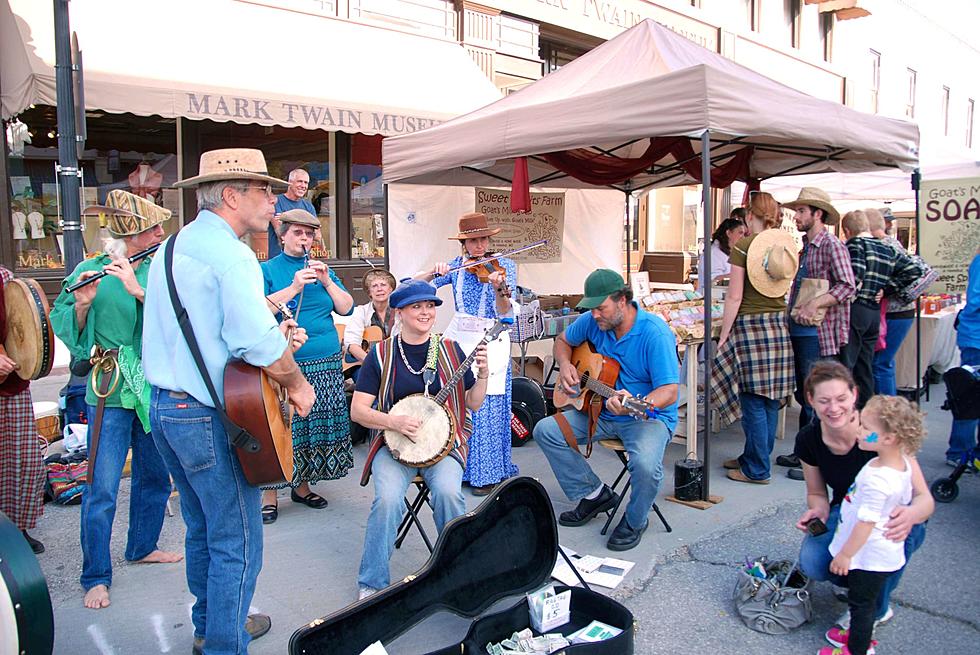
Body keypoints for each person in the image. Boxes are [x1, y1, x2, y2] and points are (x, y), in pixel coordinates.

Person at [142, 148, 315, 655]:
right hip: (204, 416)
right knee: (237, 540)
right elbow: (255, 343)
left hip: (166, 408)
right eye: (263, 190)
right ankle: (224, 642)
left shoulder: (171, 247)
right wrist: (298, 384)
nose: (272, 198)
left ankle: (211, 624)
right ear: (232, 196)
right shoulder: (233, 254)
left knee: (202, 529)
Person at [49, 189, 182, 610]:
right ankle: (95, 575)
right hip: (108, 386)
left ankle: (142, 546)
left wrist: (137, 288)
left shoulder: (160, 268)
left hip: (152, 383)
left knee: (155, 476)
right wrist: (84, 305)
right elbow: (65, 325)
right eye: (153, 229)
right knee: (101, 485)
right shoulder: (90, 269)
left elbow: (176, 316)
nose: (162, 233)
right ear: (132, 234)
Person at [351, 279, 489, 599]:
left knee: (449, 493)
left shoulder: (451, 350)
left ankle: (459, 570)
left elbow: (473, 402)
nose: (426, 312)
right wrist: (392, 422)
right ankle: (371, 583)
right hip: (394, 446)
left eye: (430, 306)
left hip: (443, 448)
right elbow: (358, 411)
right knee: (386, 500)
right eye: (417, 306)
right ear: (400, 312)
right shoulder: (381, 354)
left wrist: (483, 375)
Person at [532, 269, 678, 551]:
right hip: (598, 409)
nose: (595, 315)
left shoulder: (654, 333)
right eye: (592, 309)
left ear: (622, 301)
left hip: (644, 416)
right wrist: (565, 365)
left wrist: (637, 405)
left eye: (601, 308)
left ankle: (636, 520)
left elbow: (669, 392)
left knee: (646, 466)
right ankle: (594, 493)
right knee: (546, 430)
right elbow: (562, 341)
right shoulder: (593, 321)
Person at [794, 362, 931, 636]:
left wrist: (912, 515)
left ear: (854, 394)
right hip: (848, 511)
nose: (834, 408)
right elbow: (817, 492)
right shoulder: (809, 439)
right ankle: (853, 578)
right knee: (813, 561)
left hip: (888, 518)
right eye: (824, 401)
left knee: (894, 539)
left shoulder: (879, 432)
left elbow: (924, 498)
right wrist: (818, 510)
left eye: (841, 399)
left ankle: (877, 608)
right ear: (811, 401)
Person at [260, 208, 354, 524]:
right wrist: (295, 287)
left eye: (309, 233)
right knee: (283, 427)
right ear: (282, 235)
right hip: (287, 362)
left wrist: (327, 281)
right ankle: (269, 494)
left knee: (310, 428)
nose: (304, 238)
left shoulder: (322, 269)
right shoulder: (269, 268)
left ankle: (302, 486)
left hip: (326, 362)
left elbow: (347, 307)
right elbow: (258, 309)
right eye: (297, 233)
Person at [417, 212, 517, 496]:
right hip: (460, 337)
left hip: (491, 336)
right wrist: (432, 271)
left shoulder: (505, 265)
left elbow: (505, 312)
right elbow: (413, 287)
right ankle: (456, 466)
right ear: (464, 243)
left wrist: (500, 288)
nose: (480, 246)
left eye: (484, 239)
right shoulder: (456, 267)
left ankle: (488, 472)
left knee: (487, 402)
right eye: (473, 241)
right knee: (458, 401)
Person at [819, 394, 924, 655]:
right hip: (881, 552)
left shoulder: (879, 479)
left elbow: (866, 523)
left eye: (867, 428)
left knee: (861, 605)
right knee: (868, 600)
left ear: (889, 438)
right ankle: (859, 637)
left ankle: (858, 648)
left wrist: (845, 554)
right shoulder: (897, 462)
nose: (860, 431)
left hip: (869, 556)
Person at [714, 192, 798, 484]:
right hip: (778, 323)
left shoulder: (744, 247)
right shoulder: (785, 245)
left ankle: (757, 468)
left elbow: (735, 296)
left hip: (750, 325)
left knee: (752, 399)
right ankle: (755, 456)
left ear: (750, 215)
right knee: (770, 399)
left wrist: (724, 335)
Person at [777, 187, 856, 471]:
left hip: (818, 333)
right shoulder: (806, 247)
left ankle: (815, 458)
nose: (795, 216)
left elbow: (848, 285)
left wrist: (816, 302)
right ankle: (807, 451)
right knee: (805, 394)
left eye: (801, 211)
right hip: (801, 329)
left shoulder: (832, 245)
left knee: (816, 396)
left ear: (817, 213)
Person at [0, 266, 45, 554]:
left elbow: (21, 323)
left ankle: (16, 529)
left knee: (20, 459)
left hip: (12, 382)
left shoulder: (5, 278)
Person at [840, 209, 899, 408]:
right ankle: (866, 409)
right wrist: (888, 289)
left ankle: (847, 409)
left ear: (847, 230)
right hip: (874, 313)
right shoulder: (884, 247)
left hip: (857, 309)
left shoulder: (856, 244)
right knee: (865, 364)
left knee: (847, 363)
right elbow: (913, 271)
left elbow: (854, 277)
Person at [945, 245, 980, 467]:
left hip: (974, 334)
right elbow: (976, 300)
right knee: (970, 396)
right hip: (976, 337)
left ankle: (970, 452)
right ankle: (959, 452)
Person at [344, 268, 400, 374]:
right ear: (369, 292)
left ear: (391, 289)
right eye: (374, 286)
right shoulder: (361, 311)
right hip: (366, 363)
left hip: (395, 362)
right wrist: (372, 363)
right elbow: (351, 344)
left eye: (383, 285)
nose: (379, 289)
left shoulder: (400, 312)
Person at [266, 168, 315, 259]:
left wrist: (286, 218)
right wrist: (306, 222)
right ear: (290, 182)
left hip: (303, 261)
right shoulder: (275, 202)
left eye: (306, 183)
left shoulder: (308, 206)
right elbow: (280, 232)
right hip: (279, 261)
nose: (303, 186)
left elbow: (317, 236)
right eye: (300, 181)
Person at [697, 216, 747, 290]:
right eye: (740, 233)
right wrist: (741, 275)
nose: (743, 237)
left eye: (744, 234)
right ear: (728, 233)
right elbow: (714, 280)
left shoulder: (732, 252)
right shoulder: (713, 254)